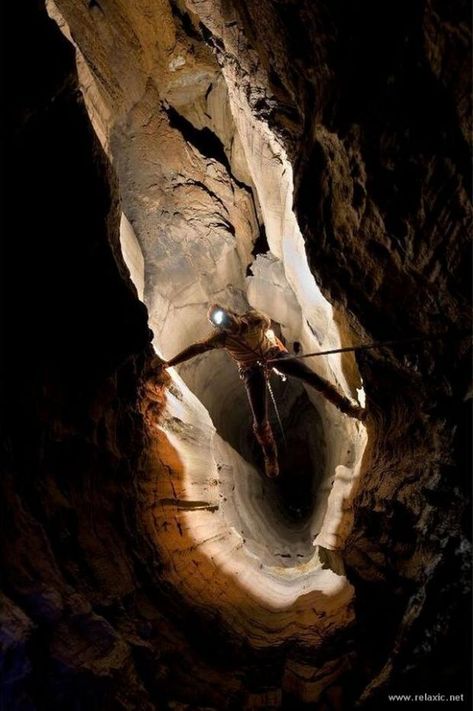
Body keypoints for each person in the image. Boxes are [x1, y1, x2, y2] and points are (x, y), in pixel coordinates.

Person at [158, 305, 366, 478]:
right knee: (259, 422)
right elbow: (197, 348)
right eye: (220, 324)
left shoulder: (255, 319)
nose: (226, 325)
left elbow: (268, 327)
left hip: (272, 355)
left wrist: (275, 348)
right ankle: (270, 456)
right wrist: (170, 363)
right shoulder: (221, 338)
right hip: (251, 370)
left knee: (313, 378)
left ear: (232, 313)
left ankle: (349, 409)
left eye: (226, 319)